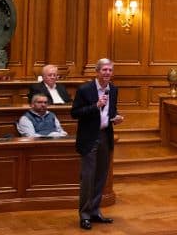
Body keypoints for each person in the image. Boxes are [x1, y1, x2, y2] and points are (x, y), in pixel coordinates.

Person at [71, 58, 123, 230]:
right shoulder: (85, 89)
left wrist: (115, 118)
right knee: (88, 177)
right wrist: (96, 106)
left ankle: (94, 211)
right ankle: (84, 214)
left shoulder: (113, 90)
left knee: (101, 176)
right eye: (104, 70)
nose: (107, 73)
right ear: (97, 71)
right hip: (89, 138)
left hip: (105, 136)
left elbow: (110, 112)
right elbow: (75, 113)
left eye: (110, 70)